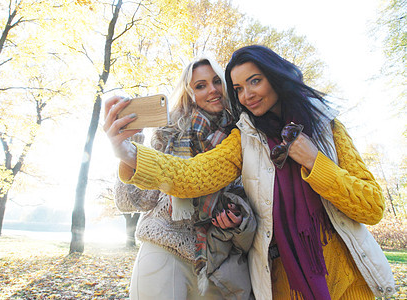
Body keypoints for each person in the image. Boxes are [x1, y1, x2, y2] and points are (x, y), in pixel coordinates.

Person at [103, 45, 396, 300]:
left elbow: (372, 207)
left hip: (348, 278)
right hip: (283, 283)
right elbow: (193, 174)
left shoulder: (327, 128)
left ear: (276, 77)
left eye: (254, 81)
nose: (247, 95)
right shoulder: (245, 138)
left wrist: (315, 161)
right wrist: (129, 153)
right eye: (239, 89)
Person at [111, 56, 256, 300]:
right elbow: (131, 202)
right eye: (200, 85)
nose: (212, 90)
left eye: (216, 81)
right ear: (189, 93)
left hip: (218, 262)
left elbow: (253, 207)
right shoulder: (169, 131)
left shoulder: (244, 139)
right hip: (164, 249)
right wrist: (130, 147)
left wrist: (237, 222)